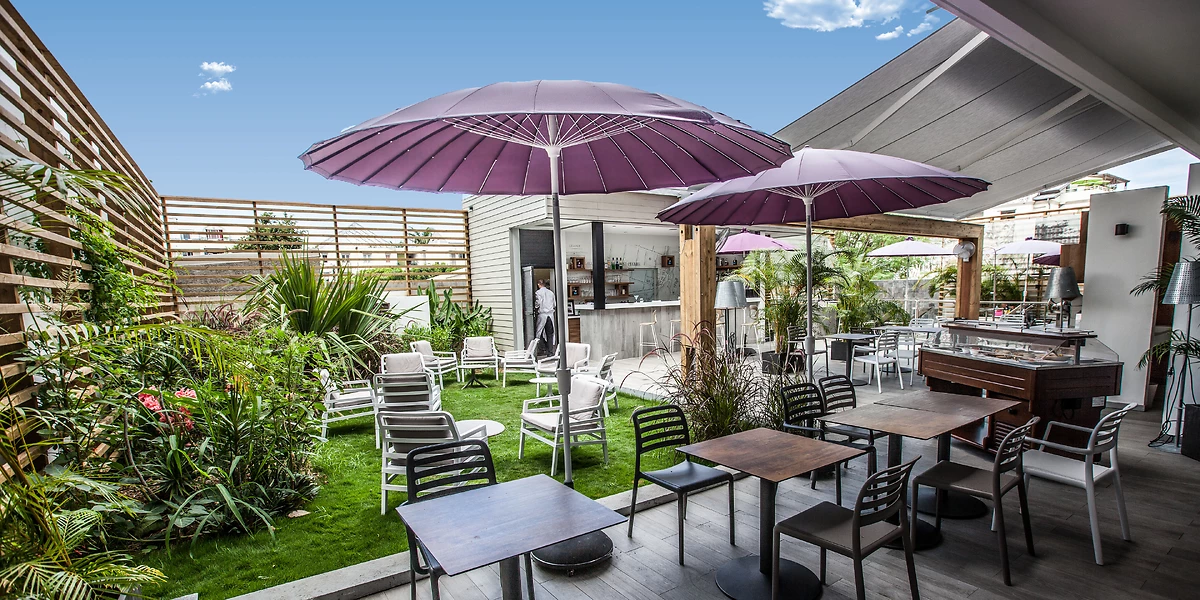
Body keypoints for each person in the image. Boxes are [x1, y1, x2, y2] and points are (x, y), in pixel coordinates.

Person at [534, 279, 557, 355]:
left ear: (538, 284)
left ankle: (543, 348)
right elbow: (554, 305)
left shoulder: (538, 293)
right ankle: (550, 351)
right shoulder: (551, 293)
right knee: (550, 334)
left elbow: (537, 304)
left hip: (542, 314)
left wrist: (535, 308)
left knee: (539, 333)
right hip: (550, 315)